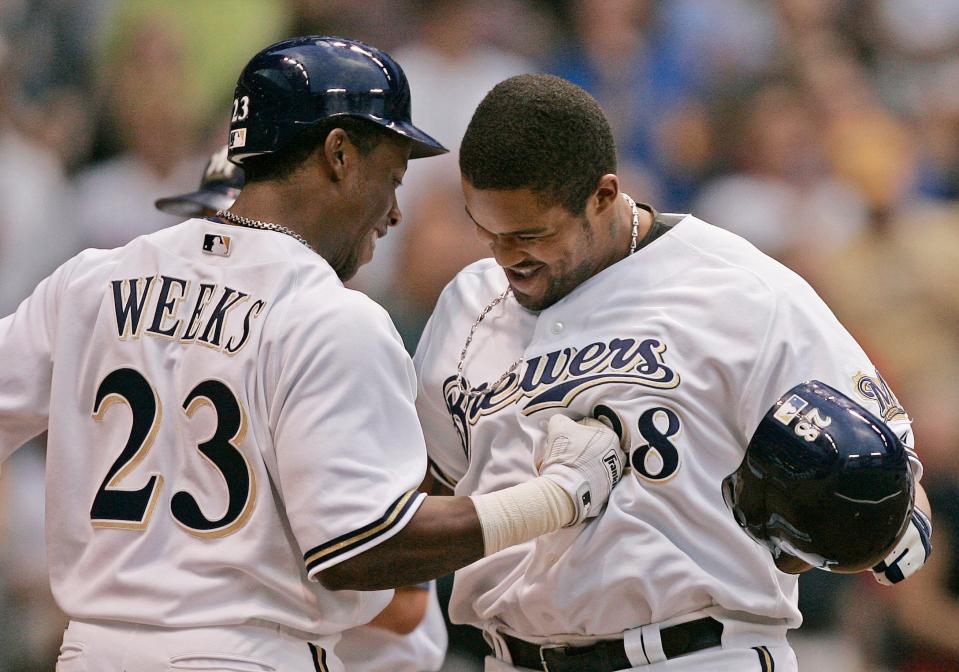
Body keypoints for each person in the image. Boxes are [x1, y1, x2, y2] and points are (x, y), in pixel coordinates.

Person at [0, 39, 626, 672]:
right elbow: (362, 550)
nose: (395, 211)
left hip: (90, 650)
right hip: (244, 652)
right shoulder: (331, 314)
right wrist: (559, 496)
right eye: (393, 175)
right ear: (339, 154)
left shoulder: (90, 281)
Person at [412, 74, 933, 672]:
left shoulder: (741, 289)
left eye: (531, 235)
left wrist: (851, 532)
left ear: (604, 195)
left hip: (693, 654)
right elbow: (424, 498)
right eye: (489, 233)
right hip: (509, 657)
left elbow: (894, 486)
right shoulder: (470, 304)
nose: (506, 258)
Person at [155, 143, 447, 672]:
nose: (216, 247)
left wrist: (224, 582)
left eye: (224, 223)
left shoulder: (349, 347)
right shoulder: (183, 361)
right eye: (205, 225)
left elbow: (407, 604)